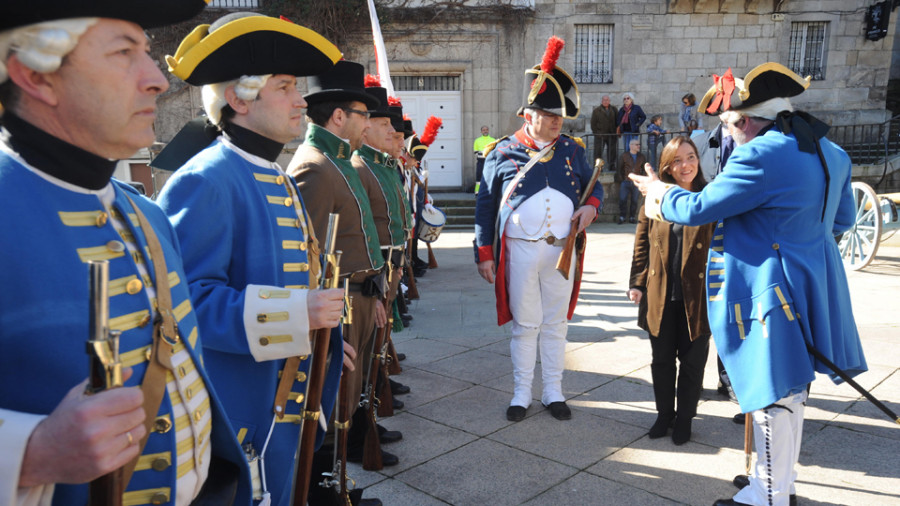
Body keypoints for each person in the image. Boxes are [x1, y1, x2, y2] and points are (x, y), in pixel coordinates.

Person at [0, 2, 254, 505]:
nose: (157, 79)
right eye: (123, 53)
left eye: (148, 53)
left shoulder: (146, 216)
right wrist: (28, 453)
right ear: (35, 76)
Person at [630, 63, 867, 506]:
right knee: (792, 393)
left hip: (772, 290)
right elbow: (842, 220)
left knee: (771, 396)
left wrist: (656, 193)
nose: (728, 135)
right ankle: (777, 483)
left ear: (747, 121)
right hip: (817, 284)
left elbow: (700, 206)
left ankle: (770, 497)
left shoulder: (760, 153)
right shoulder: (832, 151)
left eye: (729, 125)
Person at [157, 13, 350, 506]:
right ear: (239, 99)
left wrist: (323, 342)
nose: (301, 101)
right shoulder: (206, 178)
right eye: (285, 86)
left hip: (282, 403)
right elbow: (184, 307)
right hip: (242, 410)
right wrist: (298, 314)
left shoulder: (274, 173)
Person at [474, 36, 603, 423]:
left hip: (561, 250)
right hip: (520, 252)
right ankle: (521, 394)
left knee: (556, 324)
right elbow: (485, 206)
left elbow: (592, 189)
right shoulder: (500, 152)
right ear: (528, 115)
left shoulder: (572, 149)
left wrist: (591, 209)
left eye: (560, 116)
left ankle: (553, 392)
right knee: (525, 325)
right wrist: (484, 252)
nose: (557, 121)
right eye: (549, 115)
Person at [287, 61, 401, 483]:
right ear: (339, 116)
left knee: (348, 398)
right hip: (339, 302)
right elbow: (308, 259)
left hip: (359, 295)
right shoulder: (314, 166)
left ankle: (338, 484)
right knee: (330, 404)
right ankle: (322, 487)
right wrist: (323, 330)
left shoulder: (338, 161)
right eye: (362, 113)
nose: (368, 122)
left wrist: (373, 292)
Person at [627, 136, 714, 446]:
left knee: (692, 363)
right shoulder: (654, 197)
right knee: (662, 360)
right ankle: (665, 414)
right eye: (677, 160)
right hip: (660, 294)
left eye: (690, 157)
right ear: (667, 166)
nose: (685, 165)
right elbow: (641, 242)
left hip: (697, 297)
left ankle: (685, 418)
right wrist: (637, 283)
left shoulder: (709, 196)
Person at [617, 138, 647, 224]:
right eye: (637, 144)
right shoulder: (624, 156)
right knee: (623, 199)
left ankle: (632, 217)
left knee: (634, 200)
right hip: (626, 181)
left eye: (639, 144)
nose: (639, 146)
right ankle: (622, 216)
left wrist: (641, 179)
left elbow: (644, 169)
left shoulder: (641, 156)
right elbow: (619, 168)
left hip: (636, 182)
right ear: (631, 146)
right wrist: (622, 179)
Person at [590, 94, 618, 167]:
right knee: (598, 152)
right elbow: (593, 123)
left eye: (607, 100)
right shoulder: (596, 111)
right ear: (602, 101)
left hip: (611, 134)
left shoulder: (614, 109)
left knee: (612, 151)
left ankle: (611, 165)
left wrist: (616, 131)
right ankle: (598, 167)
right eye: (604, 100)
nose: (606, 101)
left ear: (609, 101)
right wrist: (596, 133)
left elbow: (617, 121)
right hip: (600, 135)